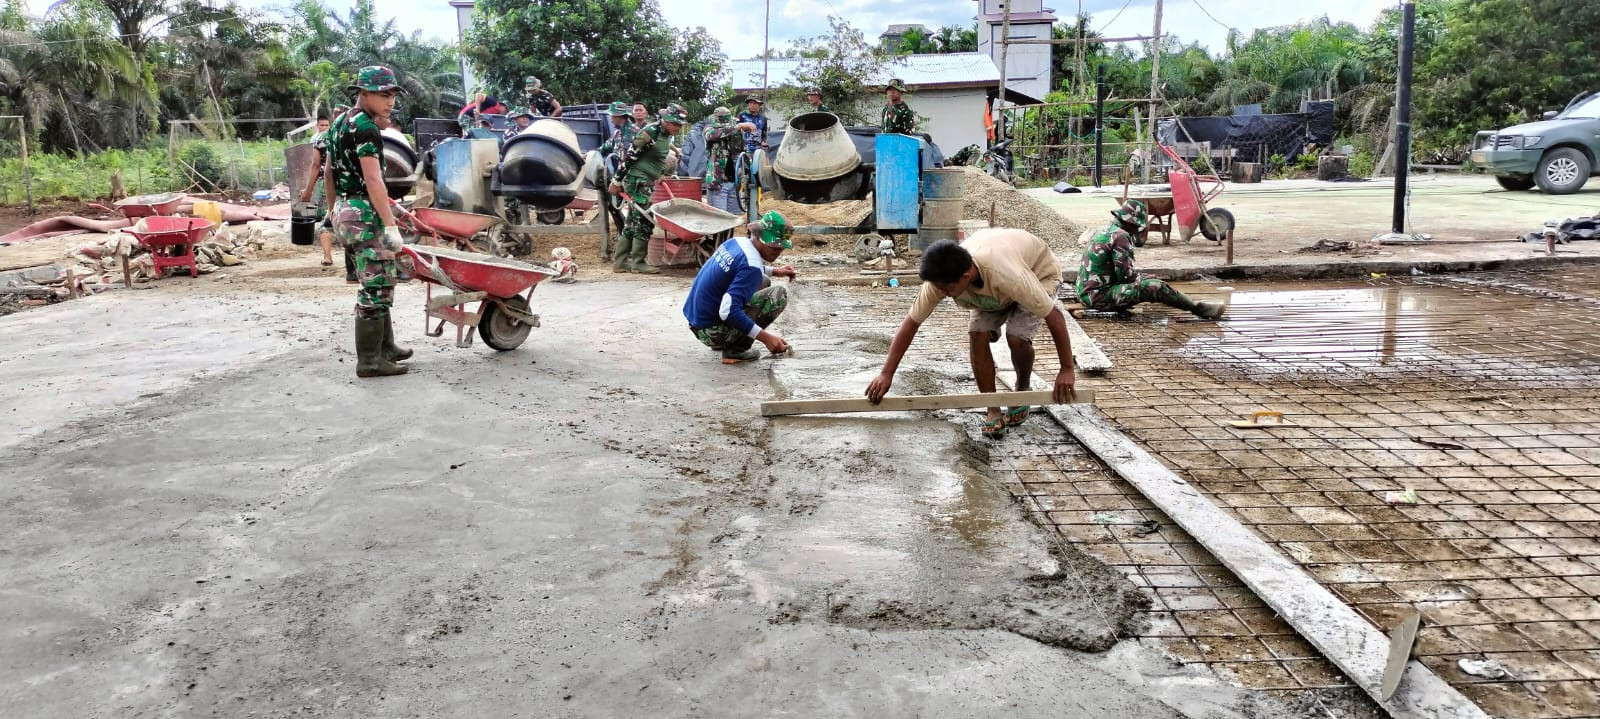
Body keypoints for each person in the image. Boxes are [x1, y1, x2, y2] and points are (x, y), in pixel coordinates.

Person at [865, 230, 1078, 438]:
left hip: (1038, 273)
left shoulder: (1011, 277)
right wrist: (886, 374)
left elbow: (1055, 317)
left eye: (947, 289)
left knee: (1016, 337)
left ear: (965, 276)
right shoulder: (941, 280)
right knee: (977, 335)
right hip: (995, 285)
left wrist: (1066, 369)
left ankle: (1022, 389)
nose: (944, 295)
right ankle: (992, 408)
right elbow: (911, 324)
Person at [326, 66, 413, 378]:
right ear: (363, 94)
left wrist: (333, 211)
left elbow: (328, 172)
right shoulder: (366, 129)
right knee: (376, 285)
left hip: (347, 211)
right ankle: (370, 361)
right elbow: (374, 179)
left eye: (392, 95)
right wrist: (390, 226)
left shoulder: (339, 123)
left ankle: (385, 348)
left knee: (377, 279)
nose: (389, 102)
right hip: (363, 213)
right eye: (382, 95)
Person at [1077, 199, 1226, 320]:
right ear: (1131, 223)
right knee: (1155, 286)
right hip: (1098, 296)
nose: (1137, 231)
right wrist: (1144, 280)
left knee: (1147, 281)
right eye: (1137, 227)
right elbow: (1125, 277)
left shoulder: (1103, 230)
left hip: (1085, 293)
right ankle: (1198, 308)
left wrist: (1141, 277)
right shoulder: (1121, 236)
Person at [683, 210, 796, 364]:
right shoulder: (751, 267)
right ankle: (736, 350)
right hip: (711, 332)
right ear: (760, 239)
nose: (779, 253)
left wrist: (776, 271)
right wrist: (766, 338)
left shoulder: (736, 243)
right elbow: (728, 311)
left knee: (762, 280)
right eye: (775, 248)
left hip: (696, 321)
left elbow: (739, 269)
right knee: (777, 295)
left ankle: (725, 339)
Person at [607, 105, 687, 274]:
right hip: (637, 180)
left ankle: (620, 261)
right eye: (676, 125)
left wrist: (661, 170)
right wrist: (616, 181)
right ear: (665, 121)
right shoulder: (650, 133)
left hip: (647, 179)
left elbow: (661, 148)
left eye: (680, 125)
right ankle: (638, 262)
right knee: (645, 219)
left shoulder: (665, 133)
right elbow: (629, 157)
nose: (678, 128)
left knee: (633, 221)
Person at [297, 113, 336, 268]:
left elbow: (315, 165)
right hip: (348, 184)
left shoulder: (320, 140)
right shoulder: (350, 134)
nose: (325, 128)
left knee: (328, 219)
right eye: (322, 125)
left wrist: (307, 190)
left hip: (328, 183)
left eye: (327, 125)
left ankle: (327, 256)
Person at [703, 107, 743, 214]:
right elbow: (713, 135)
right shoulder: (710, 129)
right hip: (718, 183)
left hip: (734, 183)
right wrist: (738, 127)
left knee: (733, 217)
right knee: (719, 218)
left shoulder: (735, 133)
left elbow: (742, 151)